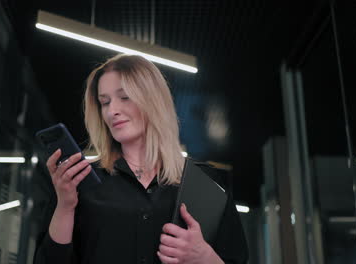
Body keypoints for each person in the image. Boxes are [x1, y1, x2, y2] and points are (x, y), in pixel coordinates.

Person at [34, 54, 248, 264]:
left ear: (153, 100)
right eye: (105, 102)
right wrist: (65, 206)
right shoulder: (79, 182)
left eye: (125, 97)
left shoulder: (206, 182)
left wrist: (205, 258)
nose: (112, 111)